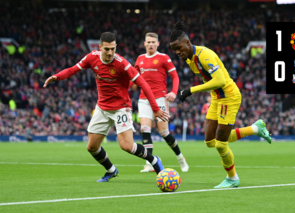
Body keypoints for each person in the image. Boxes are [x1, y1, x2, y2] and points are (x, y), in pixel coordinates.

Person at [43, 32, 169, 182]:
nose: (110, 53)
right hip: (102, 108)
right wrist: (56, 76)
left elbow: (143, 84)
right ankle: (111, 170)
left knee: (127, 146)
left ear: (115, 47)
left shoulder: (122, 63)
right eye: (107, 49)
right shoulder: (92, 58)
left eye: (113, 49)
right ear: (100, 47)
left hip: (121, 108)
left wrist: (155, 108)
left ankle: (154, 161)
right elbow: (72, 70)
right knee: (92, 147)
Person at [169, 21, 272, 189]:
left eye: (179, 48)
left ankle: (232, 179)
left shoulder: (204, 55)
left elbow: (220, 80)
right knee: (210, 141)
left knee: (220, 144)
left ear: (188, 42)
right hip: (216, 98)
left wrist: (191, 90)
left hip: (229, 97)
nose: (178, 52)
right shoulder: (189, 58)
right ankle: (255, 129)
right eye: (175, 50)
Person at [134, 32, 189, 173]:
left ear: (158, 44)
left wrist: (173, 92)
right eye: (148, 42)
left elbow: (175, 76)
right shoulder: (139, 59)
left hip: (160, 99)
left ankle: (180, 157)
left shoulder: (164, 58)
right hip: (144, 99)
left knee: (164, 132)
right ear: (145, 43)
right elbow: (133, 80)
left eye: (153, 42)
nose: (151, 44)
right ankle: (150, 163)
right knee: (144, 129)